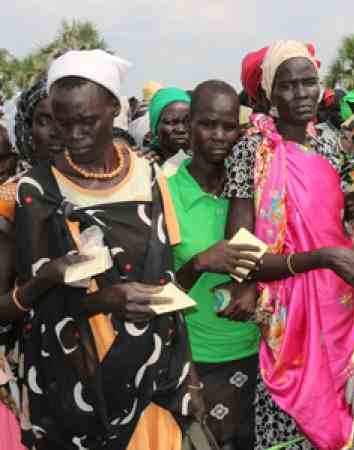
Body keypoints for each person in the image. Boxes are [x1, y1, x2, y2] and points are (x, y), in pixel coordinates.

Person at [12, 49, 207, 450]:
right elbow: (39, 303)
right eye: (64, 123)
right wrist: (106, 300)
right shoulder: (37, 190)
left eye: (88, 121)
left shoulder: (149, 175)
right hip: (77, 379)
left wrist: (188, 378)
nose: (74, 135)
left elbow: (164, 279)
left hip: (153, 375)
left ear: (114, 109)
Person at [223, 40, 354, 450]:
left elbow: (328, 222)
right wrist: (323, 257)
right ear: (269, 93)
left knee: (347, 419)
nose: (301, 94)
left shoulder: (329, 144)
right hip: (287, 316)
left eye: (309, 82)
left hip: (338, 305)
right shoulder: (251, 152)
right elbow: (244, 258)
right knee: (292, 428)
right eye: (288, 85)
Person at [168, 80, 261, 450]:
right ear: (188, 125)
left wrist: (253, 284)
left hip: (258, 357)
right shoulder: (165, 192)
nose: (220, 136)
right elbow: (155, 291)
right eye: (208, 124)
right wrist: (198, 264)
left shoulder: (255, 189)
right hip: (195, 363)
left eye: (229, 125)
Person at [0, 78, 65, 450]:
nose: (57, 131)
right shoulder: (9, 199)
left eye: (65, 118)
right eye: (44, 120)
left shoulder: (104, 191)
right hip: (27, 361)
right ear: (27, 128)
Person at [148, 87, 192, 174]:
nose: (181, 129)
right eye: (171, 122)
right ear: (155, 128)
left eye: (187, 122)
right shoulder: (144, 165)